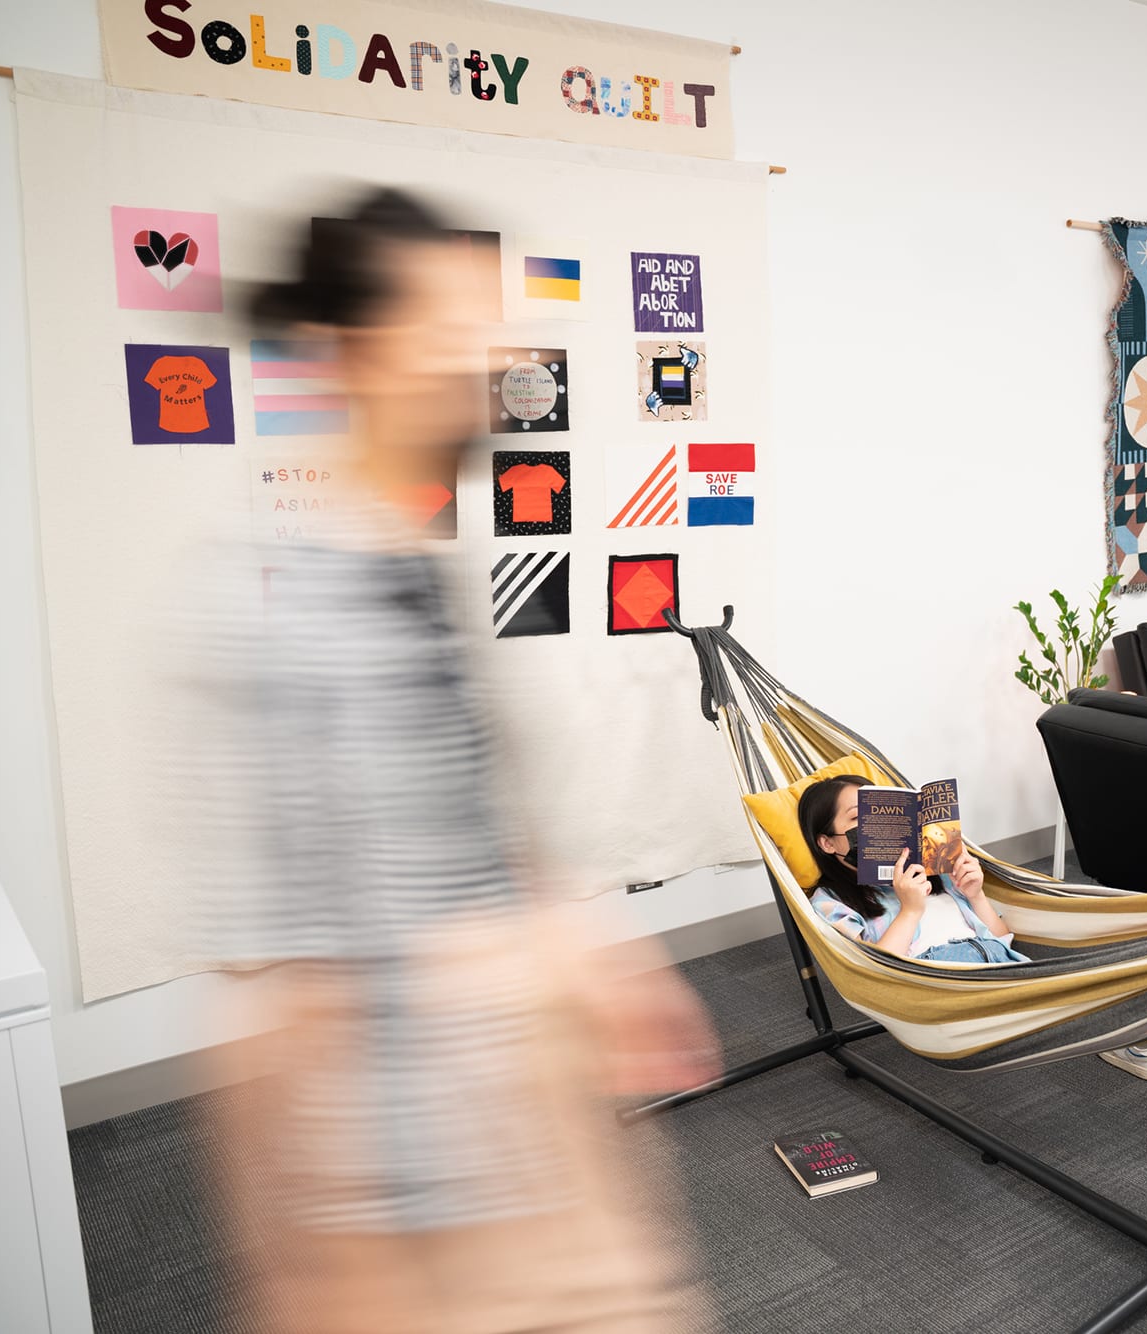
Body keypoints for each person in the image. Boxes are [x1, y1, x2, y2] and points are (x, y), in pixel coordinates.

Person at [187, 187, 716, 1333]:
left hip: (524, 1110)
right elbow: (283, 979)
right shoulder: (282, 614)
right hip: (411, 1183)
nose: (477, 360)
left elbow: (463, 835)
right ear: (348, 350)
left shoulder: (415, 570)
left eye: (482, 327)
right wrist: (316, 1273)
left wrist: (589, 952)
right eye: (440, 327)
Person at [795, 773, 1147, 1080]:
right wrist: (909, 910)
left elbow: (1001, 939)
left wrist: (977, 894)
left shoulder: (937, 872)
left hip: (997, 960)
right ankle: (1137, 1027)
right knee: (1062, 997)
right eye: (857, 819)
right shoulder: (831, 901)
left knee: (1073, 976)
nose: (871, 826)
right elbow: (871, 973)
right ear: (827, 843)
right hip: (941, 984)